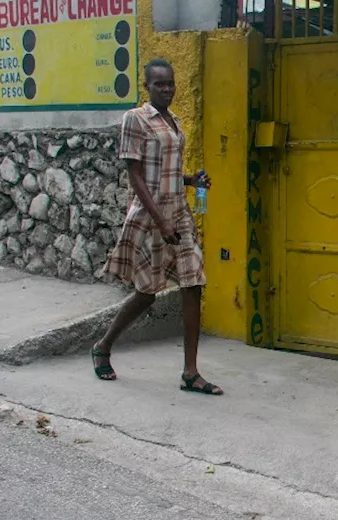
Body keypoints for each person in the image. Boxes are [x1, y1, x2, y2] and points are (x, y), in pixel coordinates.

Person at [92, 58, 222, 396]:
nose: (167, 89)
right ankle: (103, 346)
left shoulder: (175, 122)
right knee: (146, 295)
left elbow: (164, 171)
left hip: (178, 211)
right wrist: (160, 220)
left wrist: (192, 180)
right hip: (151, 216)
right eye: (159, 84)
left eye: (171, 83)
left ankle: (190, 373)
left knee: (194, 284)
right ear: (147, 85)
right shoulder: (135, 119)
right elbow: (135, 175)